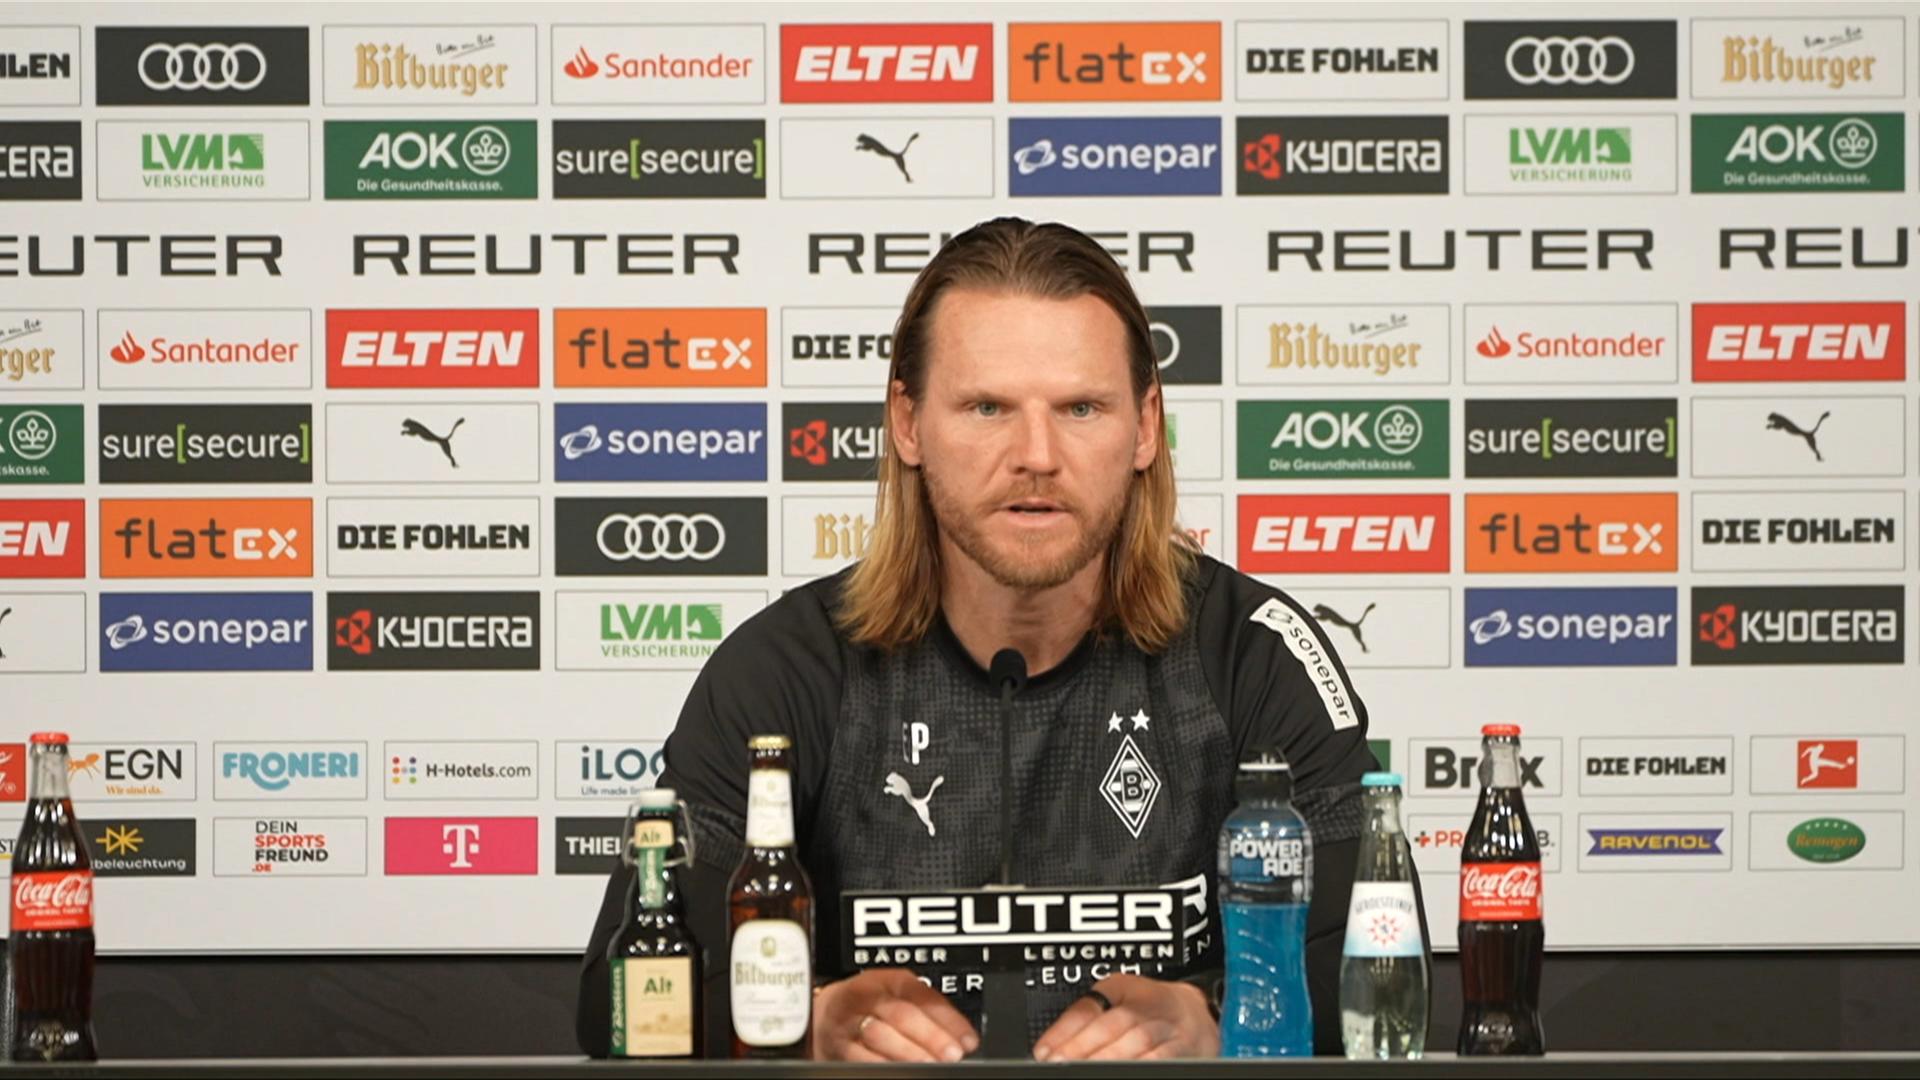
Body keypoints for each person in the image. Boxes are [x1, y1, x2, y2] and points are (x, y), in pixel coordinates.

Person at [577, 216, 1413, 1061]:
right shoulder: (787, 669)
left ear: (1145, 426)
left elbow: (1382, 972)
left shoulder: (1253, 653)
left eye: (1081, 408)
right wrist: (801, 1023)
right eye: (987, 408)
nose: (1036, 455)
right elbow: (620, 995)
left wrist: (1218, 1018)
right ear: (908, 423)